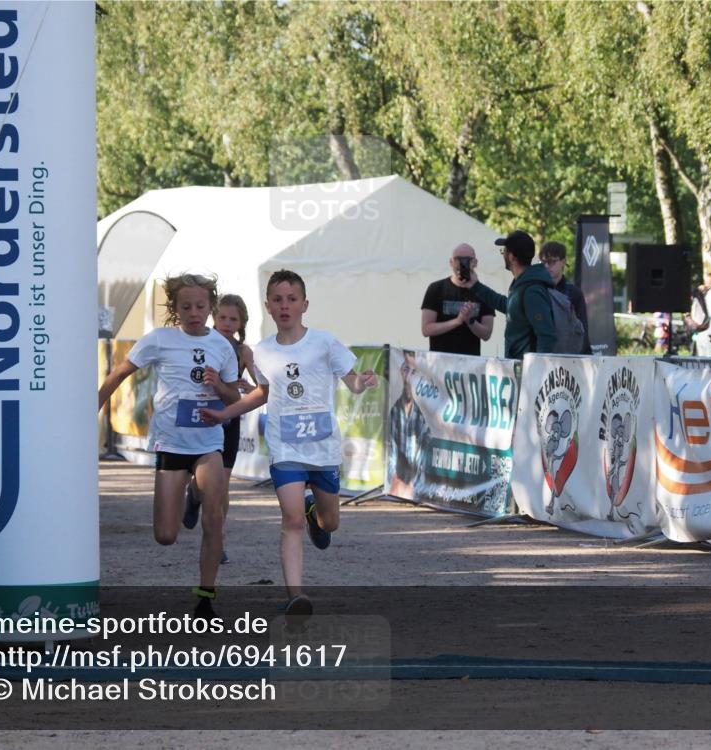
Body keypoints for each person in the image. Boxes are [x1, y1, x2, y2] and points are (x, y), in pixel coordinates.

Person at [200, 270, 378, 619]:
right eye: (278, 300)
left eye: (291, 299)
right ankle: (296, 594)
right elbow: (262, 394)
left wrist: (363, 381)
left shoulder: (325, 342)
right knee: (291, 519)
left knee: (330, 524)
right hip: (286, 448)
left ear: (304, 304)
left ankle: (317, 512)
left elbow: (352, 382)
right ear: (268, 306)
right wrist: (226, 414)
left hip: (323, 447)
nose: (285, 306)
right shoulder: (263, 352)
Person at [97, 273, 240, 619]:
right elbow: (118, 375)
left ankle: (206, 597)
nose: (194, 312)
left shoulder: (222, 347)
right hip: (172, 442)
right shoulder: (159, 340)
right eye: (186, 306)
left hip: (208, 441)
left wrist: (218, 385)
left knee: (214, 518)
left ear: (210, 308)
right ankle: (193, 491)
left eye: (200, 306)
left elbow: (234, 396)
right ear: (175, 309)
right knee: (165, 535)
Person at [182, 294, 258, 565]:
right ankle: (194, 493)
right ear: (214, 317)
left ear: (241, 323)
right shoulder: (202, 343)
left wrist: (249, 389)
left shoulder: (244, 352)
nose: (227, 323)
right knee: (205, 486)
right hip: (200, 417)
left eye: (233, 319)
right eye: (223, 317)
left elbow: (260, 386)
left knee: (222, 486)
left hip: (229, 421)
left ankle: (218, 540)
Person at [459, 230, 556, 358]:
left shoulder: (532, 290)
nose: (503, 255)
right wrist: (475, 286)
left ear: (511, 257)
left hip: (526, 370)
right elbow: (508, 306)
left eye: (504, 251)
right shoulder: (523, 283)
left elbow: (547, 335)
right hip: (518, 367)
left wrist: (536, 371)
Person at [421, 243, 495, 355]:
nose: (462, 263)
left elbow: (486, 334)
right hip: (440, 362)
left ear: (475, 263)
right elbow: (426, 329)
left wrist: (470, 321)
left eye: (468, 259)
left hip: (470, 363)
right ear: (451, 262)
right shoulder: (436, 289)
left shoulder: (484, 293)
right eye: (458, 259)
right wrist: (457, 321)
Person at [387, 350, 430, 500]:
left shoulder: (423, 415)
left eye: (413, 371)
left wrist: (414, 485)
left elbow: (422, 458)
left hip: (414, 487)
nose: (408, 376)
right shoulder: (394, 411)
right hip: (396, 486)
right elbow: (391, 453)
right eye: (406, 369)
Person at [539, 241, 591, 355]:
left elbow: (582, 331)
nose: (547, 266)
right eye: (543, 262)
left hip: (571, 357)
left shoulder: (574, 293)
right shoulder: (537, 291)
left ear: (563, 262)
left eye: (552, 261)